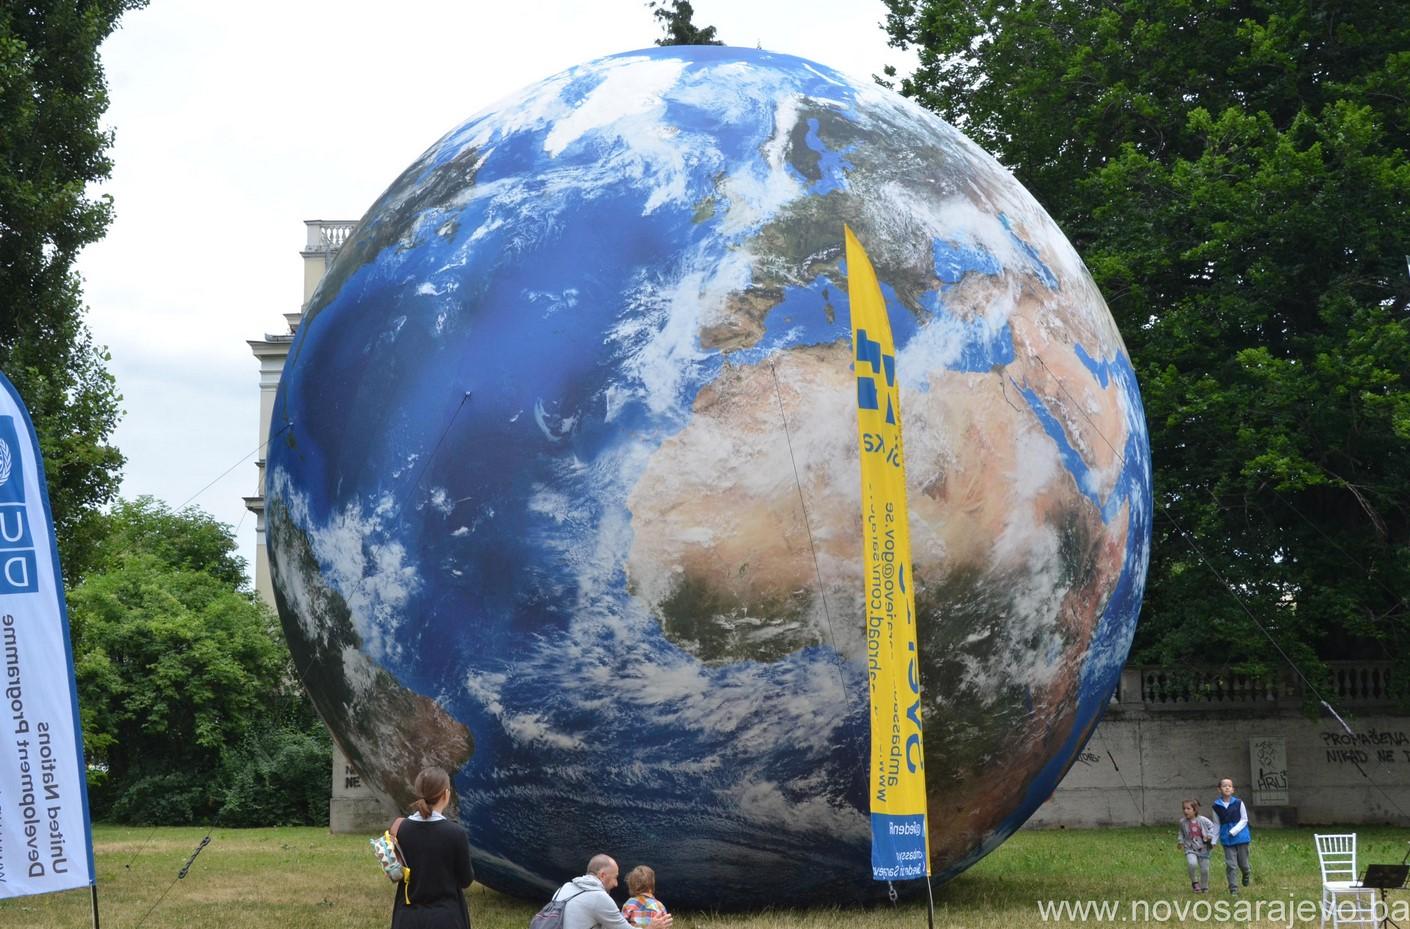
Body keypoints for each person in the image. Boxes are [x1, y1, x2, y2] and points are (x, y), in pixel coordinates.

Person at [391, 766, 475, 929]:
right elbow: (466, 880)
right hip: (446, 918)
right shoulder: (455, 833)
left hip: (406, 918)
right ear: (446, 794)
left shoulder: (400, 828)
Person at [549, 854, 672, 929]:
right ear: (602, 875)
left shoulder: (564, 887)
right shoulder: (599, 898)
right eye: (615, 877)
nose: (616, 884)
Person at [1212, 777, 1252, 894]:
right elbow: (1216, 824)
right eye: (1224, 786)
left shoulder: (1239, 803)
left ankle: (1246, 873)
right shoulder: (1216, 806)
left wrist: (1234, 830)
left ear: (1233, 789)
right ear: (1219, 789)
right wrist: (1214, 840)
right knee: (1231, 865)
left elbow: (1244, 819)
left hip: (1241, 837)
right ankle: (1233, 889)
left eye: (1229, 785)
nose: (1227, 787)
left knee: (1243, 864)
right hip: (1227, 839)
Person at [1176, 799, 1217, 892]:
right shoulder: (1182, 822)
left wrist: (1210, 837)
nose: (1185, 811)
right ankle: (1194, 882)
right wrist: (1180, 842)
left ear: (1195, 810)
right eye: (1184, 808)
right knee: (1192, 864)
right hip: (1190, 848)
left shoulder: (1203, 820)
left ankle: (1204, 886)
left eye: (1188, 808)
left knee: (1204, 870)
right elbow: (1181, 833)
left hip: (1204, 848)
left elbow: (1212, 827)